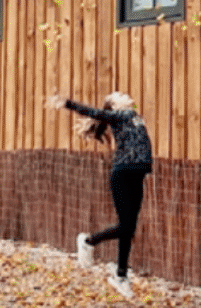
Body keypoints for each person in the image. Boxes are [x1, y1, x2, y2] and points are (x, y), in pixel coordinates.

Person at [47, 91, 152, 301]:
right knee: (125, 227)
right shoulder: (119, 116)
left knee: (128, 228)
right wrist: (67, 103)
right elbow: (93, 112)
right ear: (114, 105)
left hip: (137, 175)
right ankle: (88, 241)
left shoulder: (134, 118)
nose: (127, 95)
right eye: (119, 95)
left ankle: (120, 276)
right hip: (122, 175)